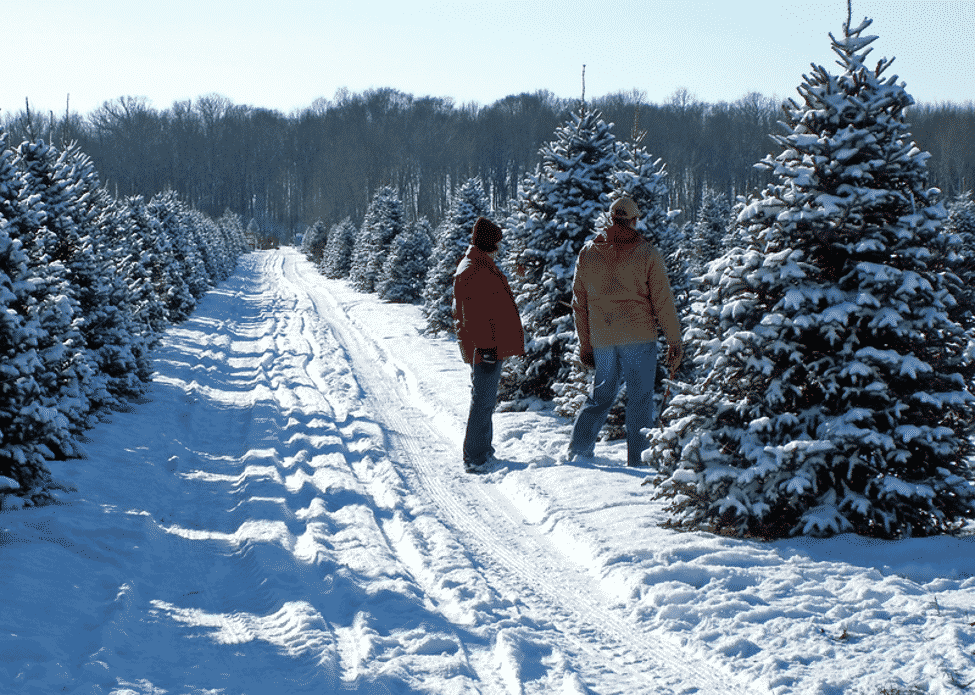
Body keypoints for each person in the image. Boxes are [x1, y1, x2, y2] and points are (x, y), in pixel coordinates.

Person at [567, 196, 683, 467]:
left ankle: (579, 449)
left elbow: (579, 303)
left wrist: (585, 344)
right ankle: (639, 460)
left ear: (610, 219)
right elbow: (662, 300)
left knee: (601, 395)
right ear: (633, 220)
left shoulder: (588, 252)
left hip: (603, 338)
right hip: (639, 337)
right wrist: (674, 340)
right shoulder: (647, 252)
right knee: (640, 400)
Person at [453, 217, 525, 473]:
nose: (499, 247)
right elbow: (472, 315)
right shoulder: (473, 269)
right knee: (482, 401)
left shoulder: (481, 264)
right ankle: (476, 456)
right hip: (486, 349)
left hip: (489, 346)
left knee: (484, 400)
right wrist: (485, 347)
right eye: (497, 242)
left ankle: (482, 451)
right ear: (488, 242)